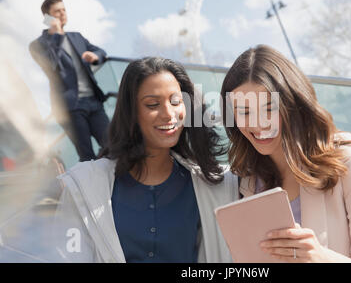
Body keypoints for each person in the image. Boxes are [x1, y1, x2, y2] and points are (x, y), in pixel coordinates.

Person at [220, 44, 351, 263]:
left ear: (293, 103)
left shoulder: (346, 157)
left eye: (269, 108)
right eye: (244, 112)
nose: (258, 124)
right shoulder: (244, 182)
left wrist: (321, 257)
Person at [50, 57, 238, 263]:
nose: (169, 114)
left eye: (176, 102)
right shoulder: (86, 184)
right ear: (132, 112)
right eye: (152, 104)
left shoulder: (213, 185)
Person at [29, 0, 110, 162]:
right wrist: (56, 35)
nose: (62, 13)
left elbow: (102, 52)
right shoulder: (37, 45)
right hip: (70, 107)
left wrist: (95, 56)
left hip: (94, 102)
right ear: (47, 18)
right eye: (57, 11)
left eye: (64, 9)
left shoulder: (77, 37)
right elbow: (52, 65)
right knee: (86, 155)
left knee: (114, 146)